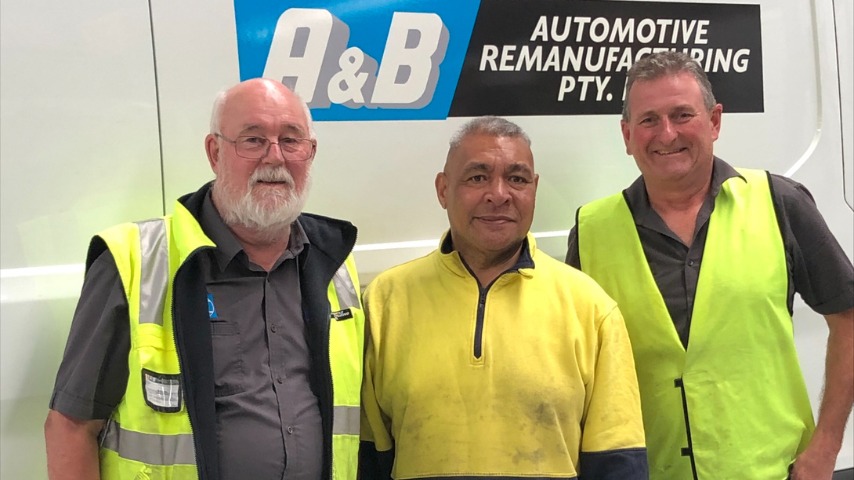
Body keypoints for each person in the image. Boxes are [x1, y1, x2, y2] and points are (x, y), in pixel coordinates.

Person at [43, 78, 365, 480]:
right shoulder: (136, 262)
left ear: (311, 152)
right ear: (214, 152)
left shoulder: (333, 265)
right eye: (252, 140)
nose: (275, 157)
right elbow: (70, 426)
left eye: (291, 140)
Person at [566, 51, 854, 480]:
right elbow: (577, 369)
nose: (667, 133)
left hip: (774, 471)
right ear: (626, 135)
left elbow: (849, 317)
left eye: (683, 114)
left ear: (714, 121)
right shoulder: (591, 231)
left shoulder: (780, 203)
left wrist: (826, 448)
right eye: (648, 120)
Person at [359, 116, 648, 479]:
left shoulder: (591, 308)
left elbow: (618, 463)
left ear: (534, 189)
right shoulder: (386, 303)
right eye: (478, 177)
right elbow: (366, 459)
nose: (498, 194)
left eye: (517, 178)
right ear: (443, 189)